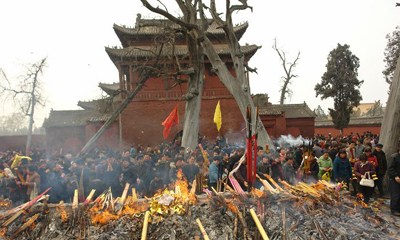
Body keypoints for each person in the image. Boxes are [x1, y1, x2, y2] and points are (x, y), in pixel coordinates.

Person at [388, 148, 400, 216]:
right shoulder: (394, 156)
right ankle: (394, 209)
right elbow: (390, 168)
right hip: (395, 179)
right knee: (396, 195)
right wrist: (395, 176)